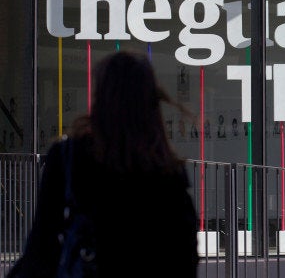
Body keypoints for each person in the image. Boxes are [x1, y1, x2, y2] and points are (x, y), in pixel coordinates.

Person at [7, 51, 199, 277]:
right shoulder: (165, 168)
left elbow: (42, 245)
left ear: (101, 97)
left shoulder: (69, 157)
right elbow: (185, 256)